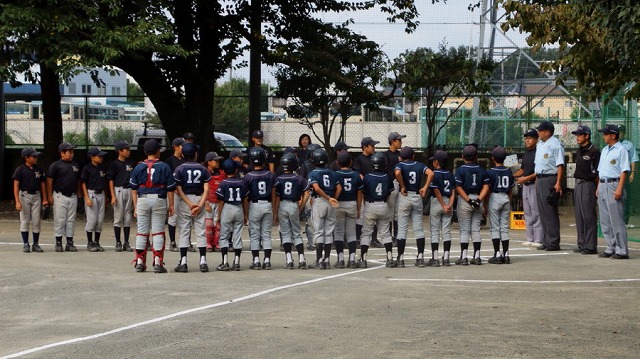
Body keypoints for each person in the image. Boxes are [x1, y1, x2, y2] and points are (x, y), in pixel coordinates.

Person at [130, 139, 176, 273]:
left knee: (142, 231)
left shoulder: (139, 166)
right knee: (158, 231)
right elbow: (170, 189)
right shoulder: (164, 166)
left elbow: (133, 188)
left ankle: (139, 262)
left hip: (142, 199)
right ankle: (157, 262)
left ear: (145, 152)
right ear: (158, 151)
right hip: (159, 199)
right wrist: (171, 205)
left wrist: (135, 206)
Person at [173, 142, 212, 273]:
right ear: (196, 154)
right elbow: (206, 188)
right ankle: (203, 261)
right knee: (200, 230)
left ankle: (183, 261)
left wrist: (190, 204)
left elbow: (178, 189)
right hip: (199, 198)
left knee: (184, 230)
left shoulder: (179, 169)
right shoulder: (203, 169)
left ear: (183, 154)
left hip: (185, 200)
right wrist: (200, 204)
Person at [394, 146, 432, 267]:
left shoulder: (400, 165)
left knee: (402, 229)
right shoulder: (419, 165)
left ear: (401, 157)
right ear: (413, 156)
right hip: (416, 196)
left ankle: (400, 258)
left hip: (405, 196)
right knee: (419, 229)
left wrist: (402, 185)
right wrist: (425, 188)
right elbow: (431, 173)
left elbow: (397, 173)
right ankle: (420, 257)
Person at [597, 125, 630, 259]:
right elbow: (601, 170)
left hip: (614, 184)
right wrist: (598, 187)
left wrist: (619, 188)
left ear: (613, 135)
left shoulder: (621, 150)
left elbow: (624, 171)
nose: (603, 136)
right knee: (605, 220)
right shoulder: (605, 149)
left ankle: (622, 250)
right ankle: (611, 247)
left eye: (606, 134)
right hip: (603, 184)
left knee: (616, 220)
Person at [454, 145, 489, 265]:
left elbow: (458, 187)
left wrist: (469, 200)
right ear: (477, 157)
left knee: (464, 229)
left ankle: (463, 257)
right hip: (478, 198)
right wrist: (479, 200)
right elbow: (486, 186)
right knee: (475, 229)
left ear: (462, 156)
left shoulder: (461, 169)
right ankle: (477, 256)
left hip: (466, 199)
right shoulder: (482, 169)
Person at [274, 152, 310, 269]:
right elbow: (306, 192)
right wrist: (302, 205)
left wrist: (275, 211)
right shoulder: (299, 178)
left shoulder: (279, 179)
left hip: (283, 205)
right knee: (296, 232)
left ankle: (289, 260)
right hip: (294, 204)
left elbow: (277, 196)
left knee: (285, 233)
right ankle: (301, 259)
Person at [357, 152, 393, 268]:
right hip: (383, 205)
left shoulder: (367, 177)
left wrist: (363, 206)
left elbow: (363, 193)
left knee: (366, 233)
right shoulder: (387, 177)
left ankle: (363, 259)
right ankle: (390, 258)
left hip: (370, 205)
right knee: (385, 232)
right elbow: (388, 194)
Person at [307, 148, 342, 269]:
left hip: (320, 200)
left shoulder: (313, 173)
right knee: (328, 232)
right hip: (331, 202)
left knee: (318, 231)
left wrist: (327, 198)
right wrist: (333, 199)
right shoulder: (332, 172)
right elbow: (339, 188)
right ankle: (326, 260)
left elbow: (316, 188)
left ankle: (319, 260)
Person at [243, 147, 277, 269]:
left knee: (255, 234)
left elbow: (245, 197)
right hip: (267, 204)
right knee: (266, 234)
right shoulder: (270, 175)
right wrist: (273, 208)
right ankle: (267, 260)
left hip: (254, 205)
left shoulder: (248, 176)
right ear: (264, 161)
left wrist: (245, 213)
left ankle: (256, 260)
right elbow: (274, 192)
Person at [534, 121, 565, 251]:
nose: (539, 133)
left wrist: (558, 182)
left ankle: (553, 241)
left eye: (541, 130)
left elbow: (560, 165)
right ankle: (547, 240)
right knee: (542, 211)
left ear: (547, 132)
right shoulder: (540, 144)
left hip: (550, 178)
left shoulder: (556, 145)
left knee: (550, 211)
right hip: (540, 178)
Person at [570, 126, 600, 255]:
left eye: (580, 135)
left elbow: (598, 172)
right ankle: (582, 244)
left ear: (587, 136)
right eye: (577, 135)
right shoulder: (579, 150)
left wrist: (597, 188)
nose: (577, 137)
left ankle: (590, 246)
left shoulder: (594, 151)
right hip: (578, 184)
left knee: (589, 216)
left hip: (588, 184)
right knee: (579, 215)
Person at [47, 142, 81, 253]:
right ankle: (58, 242)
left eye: (72, 151)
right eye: (69, 151)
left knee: (71, 220)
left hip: (73, 195)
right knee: (60, 219)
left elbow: (78, 181)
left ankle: (70, 243)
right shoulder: (56, 165)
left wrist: (79, 194)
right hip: (59, 195)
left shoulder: (76, 165)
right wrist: (49, 196)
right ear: (62, 153)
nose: (71, 154)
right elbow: (49, 180)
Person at [215, 159, 249, 271]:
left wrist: (218, 215)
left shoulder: (223, 183)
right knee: (237, 235)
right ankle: (237, 262)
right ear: (236, 170)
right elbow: (245, 199)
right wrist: (245, 214)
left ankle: (225, 262)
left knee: (224, 235)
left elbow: (221, 201)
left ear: (224, 171)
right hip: (238, 208)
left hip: (227, 208)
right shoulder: (241, 182)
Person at [13, 147, 48, 253]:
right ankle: (26, 243)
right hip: (24, 195)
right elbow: (16, 185)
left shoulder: (39, 169)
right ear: (26, 157)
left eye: (36, 156)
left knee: (36, 221)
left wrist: (45, 199)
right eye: (33, 156)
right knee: (25, 220)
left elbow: (42, 184)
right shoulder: (20, 170)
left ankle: (36, 244)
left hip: (37, 195)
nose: (36, 157)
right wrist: (17, 202)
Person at [514, 129, 543, 247]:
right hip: (525, 186)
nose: (527, 140)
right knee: (528, 213)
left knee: (536, 212)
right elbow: (522, 170)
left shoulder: (539, 152)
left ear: (536, 139)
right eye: (526, 138)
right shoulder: (526, 154)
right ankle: (530, 238)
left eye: (530, 138)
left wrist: (525, 178)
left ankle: (538, 239)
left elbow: (538, 171)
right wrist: (510, 174)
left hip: (534, 185)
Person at [333, 150, 363, 268]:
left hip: (338, 204)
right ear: (351, 162)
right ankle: (351, 259)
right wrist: (359, 208)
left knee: (338, 232)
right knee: (351, 233)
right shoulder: (356, 174)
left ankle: (340, 259)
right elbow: (359, 193)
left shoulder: (335, 174)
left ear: (337, 162)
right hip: (352, 203)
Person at [486, 146, 516, 264]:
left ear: (493, 158)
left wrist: (485, 204)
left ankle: (497, 254)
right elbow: (511, 189)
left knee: (495, 227)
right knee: (504, 227)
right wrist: (509, 199)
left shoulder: (491, 172)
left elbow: (488, 189)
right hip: (505, 197)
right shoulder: (508, 171)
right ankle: (506, 254)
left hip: (495, 197)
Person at [353, 137, 383, 248]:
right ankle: (357, 239)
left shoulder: (375, 159)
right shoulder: (359, 160)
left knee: (373, 216)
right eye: (372, 146)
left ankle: (374, 239)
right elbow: (359, 175)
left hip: (373, 192)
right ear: (365, 147)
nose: (374, 148)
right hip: (363, 191)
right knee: (360, 216)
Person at [427, 150, 455, 267]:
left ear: (437, 162)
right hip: (448, 202)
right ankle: (447, 258)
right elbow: (453, 192)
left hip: (437, 202)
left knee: (435, 231)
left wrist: (443, 204)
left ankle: (435, 258)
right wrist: (449, 205)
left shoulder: (434, 174)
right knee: (446, 230)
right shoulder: (450, 174)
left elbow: (436, 191)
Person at [107, 140, 134, 252]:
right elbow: (111, 180)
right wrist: (112, 195)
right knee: (118, 216)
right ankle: (118, 242)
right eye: (126, 149)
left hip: (129, 189)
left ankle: (126, 242)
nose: (128, 151)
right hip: (118, 190)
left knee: (128, 216)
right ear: (120, 151)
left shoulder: (130, 163)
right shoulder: (114, 164)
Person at [80, 147, 108, 252]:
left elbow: (104, 182)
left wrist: (106, 197)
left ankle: (97, 242)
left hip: (101, 193)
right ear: (92, 157)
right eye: (99, 156)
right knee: (92, 219)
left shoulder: (102, 168)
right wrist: (86, 197)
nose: (101, 158)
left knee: (100, 220)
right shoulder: (87, 168)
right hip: (91, 193)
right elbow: (83, 183)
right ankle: (89, 242)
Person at [165, 137, 186, 252]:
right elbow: (169, 178)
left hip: (185, 192)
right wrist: (177, 189)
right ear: (176, 147)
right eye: (182, 145)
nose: (184, 147)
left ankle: (185, 242)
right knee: (173, 217)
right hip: (174, 192)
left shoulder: (185, 160)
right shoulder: (169, 161)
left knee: (185, 218)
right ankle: (172, 242)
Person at [385, 132, 405, 246]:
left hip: (400, 184)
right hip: (391, 184)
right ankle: (389, 236)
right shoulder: (386, 155)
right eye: (399, 140)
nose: (400, 142)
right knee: (391, 212)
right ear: (393, 141)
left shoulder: (401, 155)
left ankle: (397, 236)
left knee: (398, 212)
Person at [204, 151, 226, 252]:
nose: (217, 162)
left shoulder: (222, 173)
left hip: (219, 202)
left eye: (218, 161)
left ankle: (216, 243)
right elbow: (201, 189)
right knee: (208, 224)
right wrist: (205, 203)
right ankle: (208, 243)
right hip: (208, 201)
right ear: (209, 162)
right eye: (215, 160)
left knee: (217, 223)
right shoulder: (204, 172)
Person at [618, 124, 638, 227]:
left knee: (625, 197)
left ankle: (625, 221)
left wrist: (633, 173)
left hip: (626, 173)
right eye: (618, 131)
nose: (619, 133)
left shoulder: (629, 145)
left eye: (621, 131)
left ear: (624, 133)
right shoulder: (613, 144)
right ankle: (617, 220)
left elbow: (633, 159)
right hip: (615, 174)